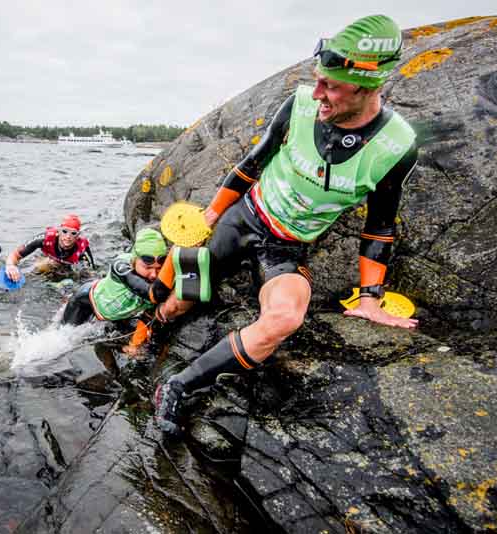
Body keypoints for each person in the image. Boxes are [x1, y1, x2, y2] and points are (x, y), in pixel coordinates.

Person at [154, 15, 419, 436]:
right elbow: (251, 166)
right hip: (244, 219)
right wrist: (210, 216)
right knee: (180, 301)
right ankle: (147, 332)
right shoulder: (299, 105)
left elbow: (380, 224)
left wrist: (371, 298)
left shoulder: (396, 145)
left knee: (285, 319)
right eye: (317, 81)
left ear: (369, 86)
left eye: (330, 86)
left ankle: (178, 386)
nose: (317, 94)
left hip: (287, 248)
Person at [61, 228, 174, 348]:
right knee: (66, 337)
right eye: (147, 268)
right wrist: (174, 254)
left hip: (115, 309)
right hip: (87, 301)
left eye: (159, 268)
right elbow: (153, 294)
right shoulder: (120, 265)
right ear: (134, 260)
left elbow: (148, 314)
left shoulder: (160, 277)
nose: (154, 275)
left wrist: (134, 345)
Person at [5, 214, 95, 281]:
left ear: (77, 236)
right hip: (49, 257)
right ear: (59, 231)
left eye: (73, 233)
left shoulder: (81, 249)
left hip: (69, 264)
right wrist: (10, 266)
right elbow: (15, 255)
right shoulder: (44, 239)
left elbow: (92, 274)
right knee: (36, 271)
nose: (68, 237)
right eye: (65, 231)